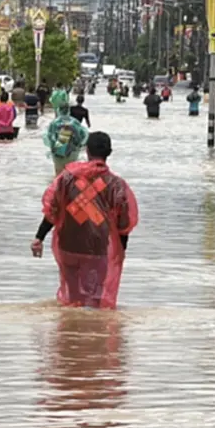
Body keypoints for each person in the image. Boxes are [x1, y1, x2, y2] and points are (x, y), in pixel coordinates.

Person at [31, 131, 140, 310]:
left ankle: (69, 333)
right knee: (95, 302)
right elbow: (124, 223)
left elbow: (53, 209)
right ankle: (92, 334)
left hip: (68, 244)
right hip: (98, 248)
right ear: (109, 153)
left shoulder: (67, 178)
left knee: (72, 301)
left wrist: (39, 237)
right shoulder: (116, 185)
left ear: (87, 151)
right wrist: (120, 250)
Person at [45, 89, 90, 175]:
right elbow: (83, 137)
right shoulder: (75, 122)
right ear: (68, 110)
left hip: (57, 153)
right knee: (70, 175)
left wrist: (55, 146)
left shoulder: (54, 123)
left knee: (58, 176)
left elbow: (49, 137)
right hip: (72, 152)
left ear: (59, 110)